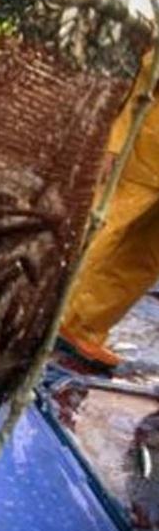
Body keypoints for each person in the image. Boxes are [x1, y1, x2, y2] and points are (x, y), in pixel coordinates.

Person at [56, 53, 159, 375]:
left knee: (145, 256)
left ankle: (85, 328)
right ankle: (54, 317)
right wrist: (114, 143)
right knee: (106, 230)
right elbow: (142, 80)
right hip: (145, 153)